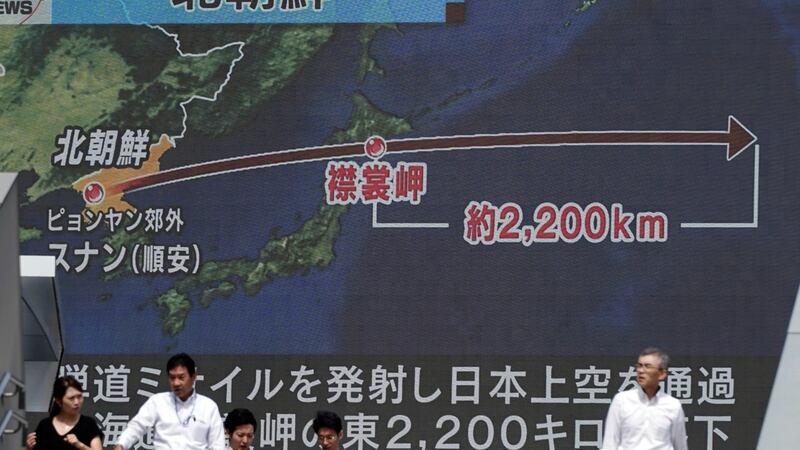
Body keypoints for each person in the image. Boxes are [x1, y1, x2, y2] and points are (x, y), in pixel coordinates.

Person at [113, 353, 225, 450]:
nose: (176, 383)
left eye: (181, 377)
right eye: (172, 378)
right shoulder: (158, 401)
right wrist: (121, 445)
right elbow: (136, 427)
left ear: (194, 377)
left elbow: (217, 445)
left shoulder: (208, 406)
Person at [601, 347, 688, 450]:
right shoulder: (621, 400)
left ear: (661, 374)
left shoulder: (673, 405)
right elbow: (609, 443)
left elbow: (680, 445)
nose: (640, 371)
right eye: (639, 366)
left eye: (647, 366)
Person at [25, 375, 103, 450]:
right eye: (71, 398)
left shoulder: (89, 424)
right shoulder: (45, 426)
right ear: (59, 401)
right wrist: (30, 448)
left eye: (79, 397)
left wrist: (80, 445)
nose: (77, 402)